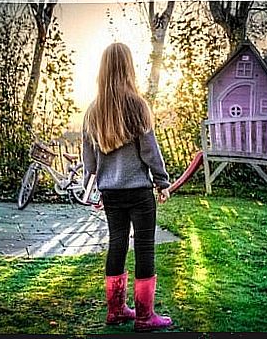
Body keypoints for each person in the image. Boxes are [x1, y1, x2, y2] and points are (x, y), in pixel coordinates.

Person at [82, 42, 172, 332]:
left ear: (103, 70)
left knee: (117, 244)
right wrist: (162, 182)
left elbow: (89, 159)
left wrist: (92, 188)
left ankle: (116, 311)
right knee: (145, 248)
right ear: (128, 67)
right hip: (138, 191)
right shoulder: (137, 106)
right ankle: (145, 317)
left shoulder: (92, 112)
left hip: (110, 192)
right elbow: (150, 151)